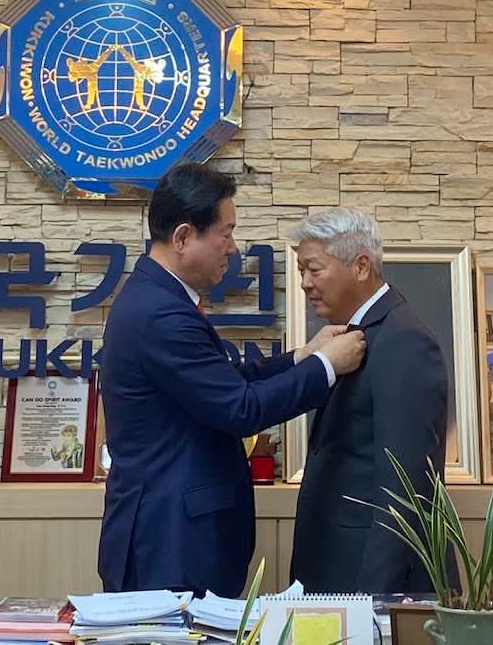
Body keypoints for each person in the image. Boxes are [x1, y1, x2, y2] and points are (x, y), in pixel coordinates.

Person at [98, 164, 365, 597]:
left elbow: (222, 383)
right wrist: (326, 367)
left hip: (170, 538)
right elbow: (240, 408)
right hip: (169, 546)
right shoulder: (161, 314)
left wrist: (302, 357)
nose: (234, 247)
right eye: (226, 233)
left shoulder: (158, 298)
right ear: (183, 237)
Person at [291, 207, 457, 594]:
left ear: (361, 266)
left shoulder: (404, 341)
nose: (304, 283)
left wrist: (374, 602)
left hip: (370, 582)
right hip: (336, 570)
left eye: (314, 269)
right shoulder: (358, 333)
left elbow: (403, 488)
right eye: (301, 271)